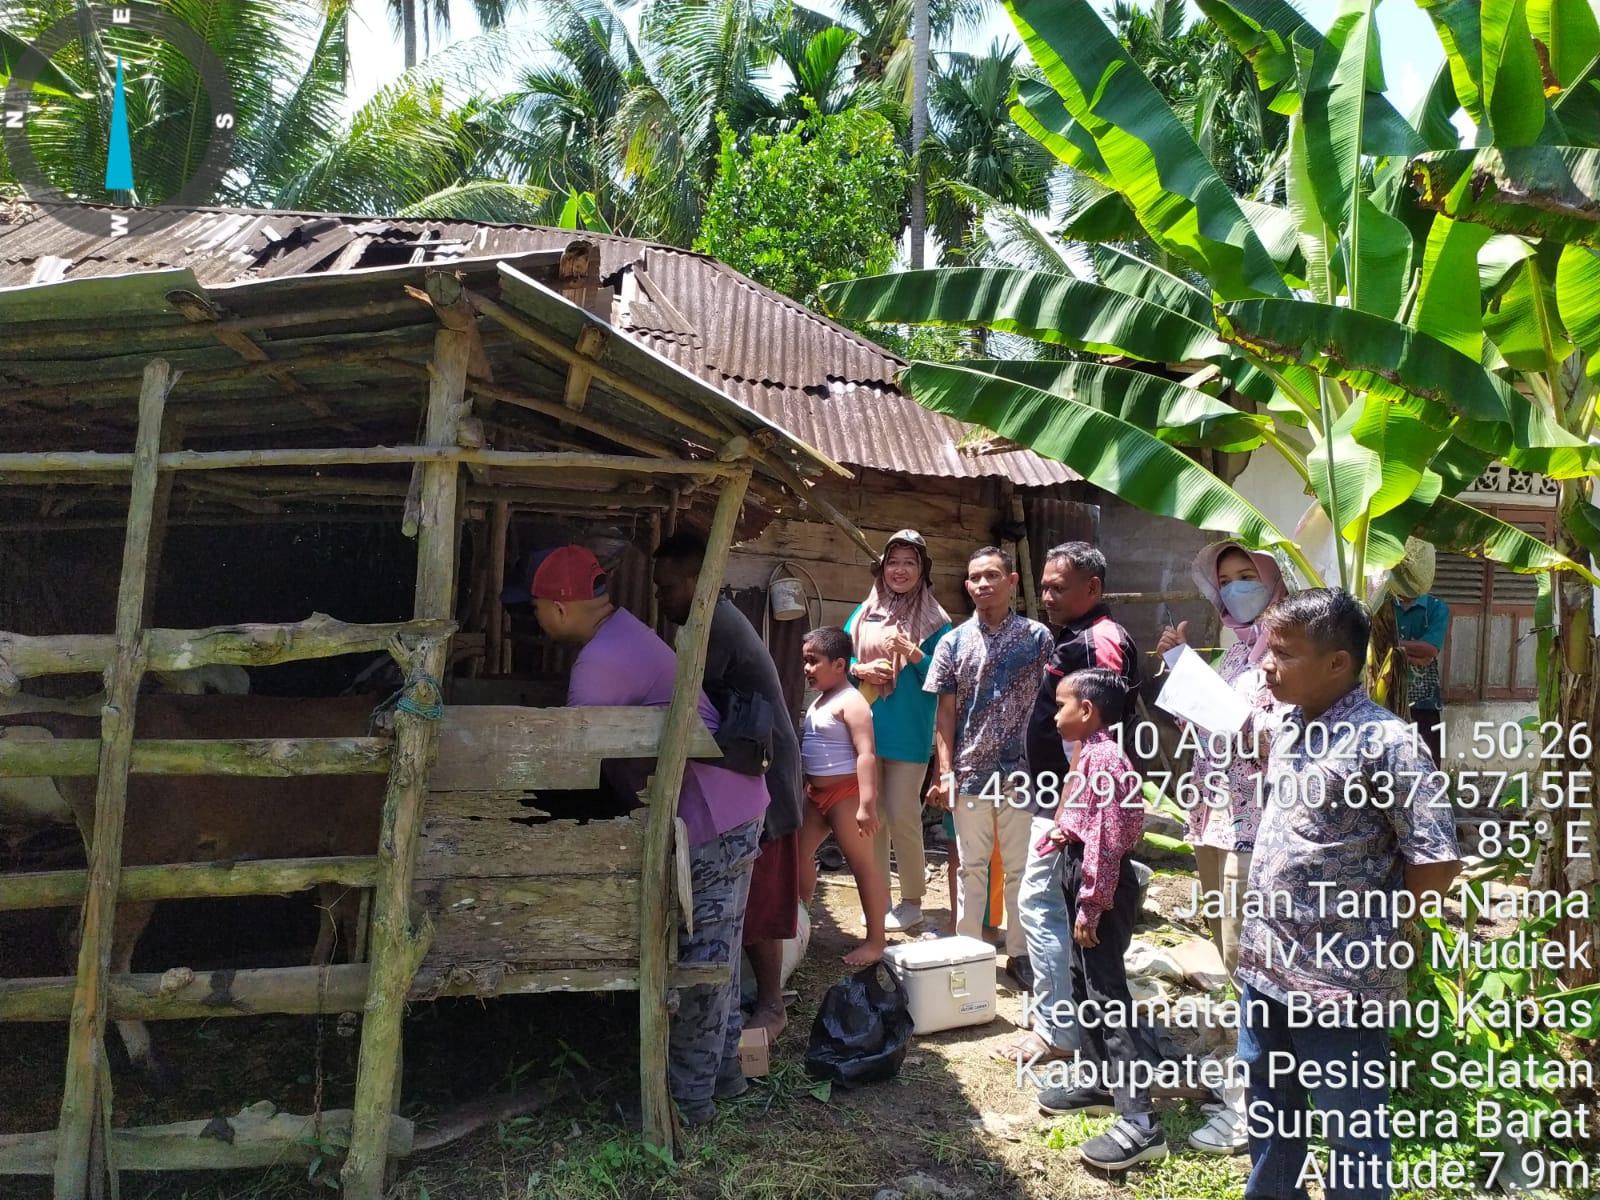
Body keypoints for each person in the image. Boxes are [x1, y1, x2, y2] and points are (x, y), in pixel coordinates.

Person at [503, 545, 769, 1126]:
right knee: (717, 954)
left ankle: (686, 1105)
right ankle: (722, 1079)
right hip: (732, 806)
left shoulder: (599, 662)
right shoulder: (624, 631)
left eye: (537, 610)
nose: (534, 621)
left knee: (701, 960)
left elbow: (571, 761)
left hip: (710, 815)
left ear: (560, 606)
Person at [1238, 589, 1460, 1199]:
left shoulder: (1387, 744)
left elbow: (1435, 860)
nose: (1266, 663)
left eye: (1283, 653)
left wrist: (1386, 937)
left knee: (1352, 1133)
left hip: (1340, 985)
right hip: (1265, 968)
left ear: (1338, 664)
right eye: (1267, 648)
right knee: (1270, 1115)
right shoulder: (1286, 724)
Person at [1153, 541, 1287, 1155]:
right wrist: (1183, 671)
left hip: (1256, 827)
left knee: (1249, 958)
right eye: (1226, 579)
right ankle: (1247, 1077)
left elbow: (1272, 736)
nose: (1236, 588)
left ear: (1273, 581)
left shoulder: (1289, 651)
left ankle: (1254, 1106)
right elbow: (1204, 725)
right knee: (1229, 952)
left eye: (1247, 577)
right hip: (1212, 819)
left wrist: (1220, 705)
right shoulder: (1236, 650)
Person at [653, 532, 804, 1038]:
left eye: (667, 586)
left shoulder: (711, 626)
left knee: (758, 901)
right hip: (754, 773)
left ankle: (772, 1006)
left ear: (696, 582)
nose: (659, 597)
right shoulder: (707, 621)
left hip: (766, 780)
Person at [1008, 541, 1141, 1061]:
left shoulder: (1099, 643)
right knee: (1050, 905)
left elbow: (1096, 730)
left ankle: (1058, 1030)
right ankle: (1073, 1025)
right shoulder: (1078, 637)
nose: (1046, 596)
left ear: (1093, 589)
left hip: (1073, 811)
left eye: (1059, 588)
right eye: (1043, 586)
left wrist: (1068, 811)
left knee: (1041, 906)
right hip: (1063, 804)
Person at [1033, 668, 1168, 1170]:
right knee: (1081, 980)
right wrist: (1064, 831)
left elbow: (1110, 842)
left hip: (1102, 887)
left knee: (1109, 996)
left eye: (1061, 705)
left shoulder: (1106, 758)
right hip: (1083, 871)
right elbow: (1090, 819)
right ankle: (1096, 1079)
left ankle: (1140, 1120)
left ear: (1086, 711)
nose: (1055, 714)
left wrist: (1091, 905)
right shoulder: (1089, 752)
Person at [924, 547, 1053, 971]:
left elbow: (1053, 704)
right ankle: (968, 952)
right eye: (975, 578)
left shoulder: (1038, 639)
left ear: (1011, 581)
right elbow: (944, 712)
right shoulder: (953, 642)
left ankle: (1019, 954)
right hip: (969, 771)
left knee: (1020, 868)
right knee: (970, 867)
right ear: (967, 586)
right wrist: (943, 773)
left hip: (1022, 773)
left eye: (992, 575)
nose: (983, 584)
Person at [845, 529, 953, 933]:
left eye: (910, 562)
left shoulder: (936, 621)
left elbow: (944, 678)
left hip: (909, 730)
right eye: (894, 562)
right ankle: (880, 898)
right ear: (882, 568)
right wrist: (859, 669)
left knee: (903, 814)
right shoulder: (865, 611)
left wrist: (913, 652)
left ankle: (912, 902)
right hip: (867, 730)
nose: (900, 570)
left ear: (923, 571)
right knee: (872, 816)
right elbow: (841, 657)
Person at [797, 626, 889, 967]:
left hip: (846, 795)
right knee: (797, 854)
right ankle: (801, 920)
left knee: (862, 865)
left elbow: (866, 753)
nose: (807, 669)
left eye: (813, 662)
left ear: (839, 664)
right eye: (805, 662)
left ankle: (876, 941)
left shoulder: (852, 702)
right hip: (816, 796)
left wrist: (867, 804)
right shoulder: (821, 700)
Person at [1392, 588, 1450, 767]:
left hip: (1424, 699)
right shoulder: (1384, 605)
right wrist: (1415, 653)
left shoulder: (1436, 607)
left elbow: (1430, 649)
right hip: (1386, 696)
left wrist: (1392, 647)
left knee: (1429, 760)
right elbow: (1423, 653)